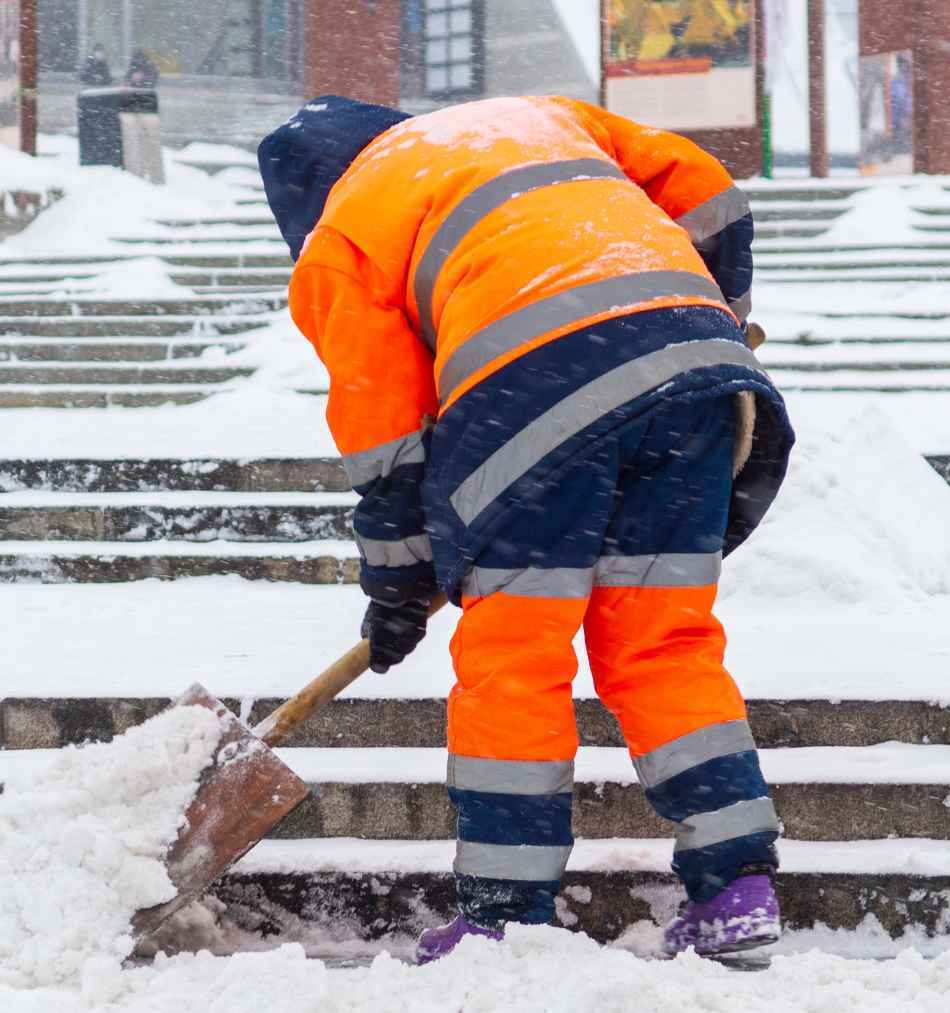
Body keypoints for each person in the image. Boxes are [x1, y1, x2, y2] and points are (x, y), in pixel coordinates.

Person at [258, 95, 793, 963]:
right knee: (665, 642)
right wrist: (716, 311)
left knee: (518, 656)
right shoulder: (536, 117)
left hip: (529, 398)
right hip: (699, 382)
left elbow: (387, 439)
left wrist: (397, 585)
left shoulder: (341, 238)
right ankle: (736, 884)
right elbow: (712, 197)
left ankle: (506, 915)